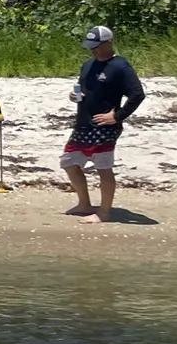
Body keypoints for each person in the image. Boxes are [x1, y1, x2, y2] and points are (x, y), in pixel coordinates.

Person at [62, 25, 145, 224]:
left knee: (103, 167)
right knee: (68, 162)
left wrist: (117, 116)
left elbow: (137, 94)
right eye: (91, 46)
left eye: (97, 46)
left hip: (105, 127)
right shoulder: (87, 65)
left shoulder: (120, 66)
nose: (93, 49)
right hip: (83, 124)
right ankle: (84, 204)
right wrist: (75, 96)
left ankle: (104, 213)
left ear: (109, 42)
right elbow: (84, 90)